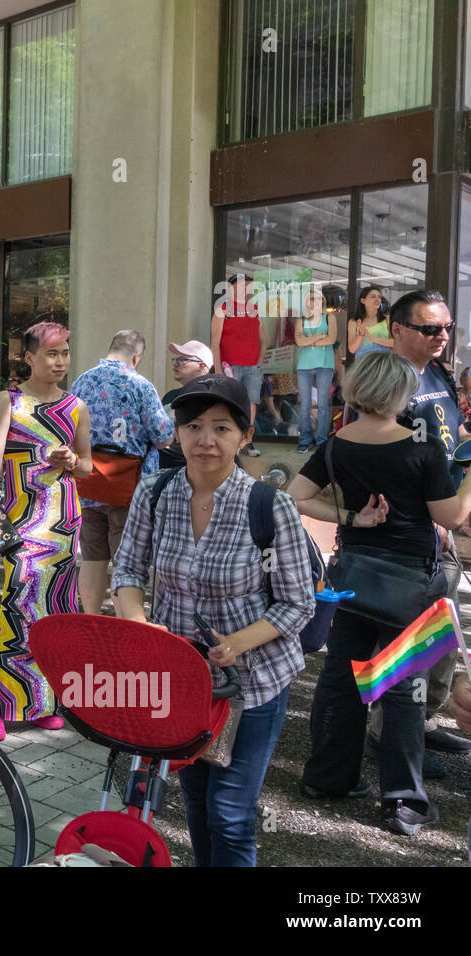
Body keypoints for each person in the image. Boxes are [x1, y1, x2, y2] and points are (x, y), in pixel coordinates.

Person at [112, 374, 315, 866]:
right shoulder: (155, 493)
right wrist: (139, 621)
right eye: (194, 426)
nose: (206, 440)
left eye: (222, 428)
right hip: (184, 679)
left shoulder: (269, 505)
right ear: (176, 433)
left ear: (245, 436)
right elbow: (128, 568)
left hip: (253, 680)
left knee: (230, 813)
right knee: (198, 802)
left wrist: (238, 642)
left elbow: (298, 603)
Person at [289, 351, 471, 836]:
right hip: (411, 581)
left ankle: (327, 778)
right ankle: (404, 801)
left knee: (341, 678)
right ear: (401, 393)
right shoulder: (421, 447)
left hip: (354, 578)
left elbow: (296, 496)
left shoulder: (334, 445)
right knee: (403, 690)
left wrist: (351, 518)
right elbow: (451, 517)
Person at [362, 290, 471, 767]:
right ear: (397, 330)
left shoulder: (439, 372)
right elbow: (375, 462)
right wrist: (430, 516)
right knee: (407, 641)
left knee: (441, 635)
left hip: (442, 524)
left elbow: (448, 434)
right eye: (430, 329)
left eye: (447, 328)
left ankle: (421, 723)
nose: (442, 337)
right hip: (408, 534)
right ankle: (389, 735)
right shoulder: (385, 382)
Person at [0, 322, 92, 740]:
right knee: (16, 608)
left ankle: (40, 699)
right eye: (50, 354)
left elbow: (90, 467)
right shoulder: (9, 401)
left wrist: (71, 461)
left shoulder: (76, 406)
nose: (59, 362)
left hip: (64, 524)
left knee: (54, 612)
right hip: (24, 520)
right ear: (28, 358)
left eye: (65, 353)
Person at [70, 330, 174, 616]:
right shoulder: (140, 385)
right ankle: (125, 625)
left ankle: (90, 621)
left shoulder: (81, 382)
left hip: (88, 484)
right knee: (126, 563)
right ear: (136, 357)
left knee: (92, 558)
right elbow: (163, 435)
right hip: (129, 488)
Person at [210, 273, 265, 457]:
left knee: (251, 404)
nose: (246, 289)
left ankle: (247, 442)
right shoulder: (222, 310)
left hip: (252, 366)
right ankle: (229, 441)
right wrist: (217, 369)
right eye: (242, 285)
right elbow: (215, 342)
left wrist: (259, 362)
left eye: (248, 286)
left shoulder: (255, 310)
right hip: (230, 366)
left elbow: (262, 339)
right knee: (230, 404)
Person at [294, 289, 338, 453]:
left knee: (322, 405)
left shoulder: (329, 317)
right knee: (305, 404)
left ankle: (321, 441)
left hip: (325, 364)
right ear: (307, 302)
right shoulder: (301, 319)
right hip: (304, 365)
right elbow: (298, 340)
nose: (315, 301)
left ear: (323, 302)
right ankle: (305, 440)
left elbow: (331, 339)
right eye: (312, 299)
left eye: (319, 299)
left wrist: (308, 341)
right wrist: (318, 337)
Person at [160, 340, 214, 469]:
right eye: (175, 360)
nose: (175, 365)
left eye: (182, 360)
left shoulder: (212, 399)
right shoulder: (171, 396)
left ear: (202, 365)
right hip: (163, 469)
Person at [347, 286, 392, 359]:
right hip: (363, 364)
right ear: (363, 301)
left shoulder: (387, 319)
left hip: (383, 363)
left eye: (379, 297)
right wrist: (361, 335)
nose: (377, 299)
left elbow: (395, 343)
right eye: (373, 297)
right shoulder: (353, 322)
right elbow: (352, 349)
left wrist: (373, 338)